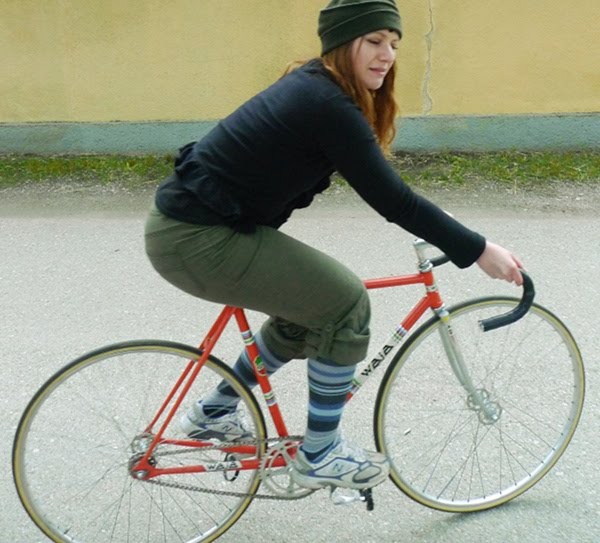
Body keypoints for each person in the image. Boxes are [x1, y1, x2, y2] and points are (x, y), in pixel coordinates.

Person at [144, 0, 523, 492]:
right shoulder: (326, 104)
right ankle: (320, 454)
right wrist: (479, 250)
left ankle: (213, 412)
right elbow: (393, 200)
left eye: (394, 44)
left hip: (194, 227)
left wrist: (447, 227)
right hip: (196, 239)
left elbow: (386, 187)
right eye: (374, 41)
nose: (387, 55)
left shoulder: (318, 89)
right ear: (343, 44)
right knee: (346, 303)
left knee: (305, 315)